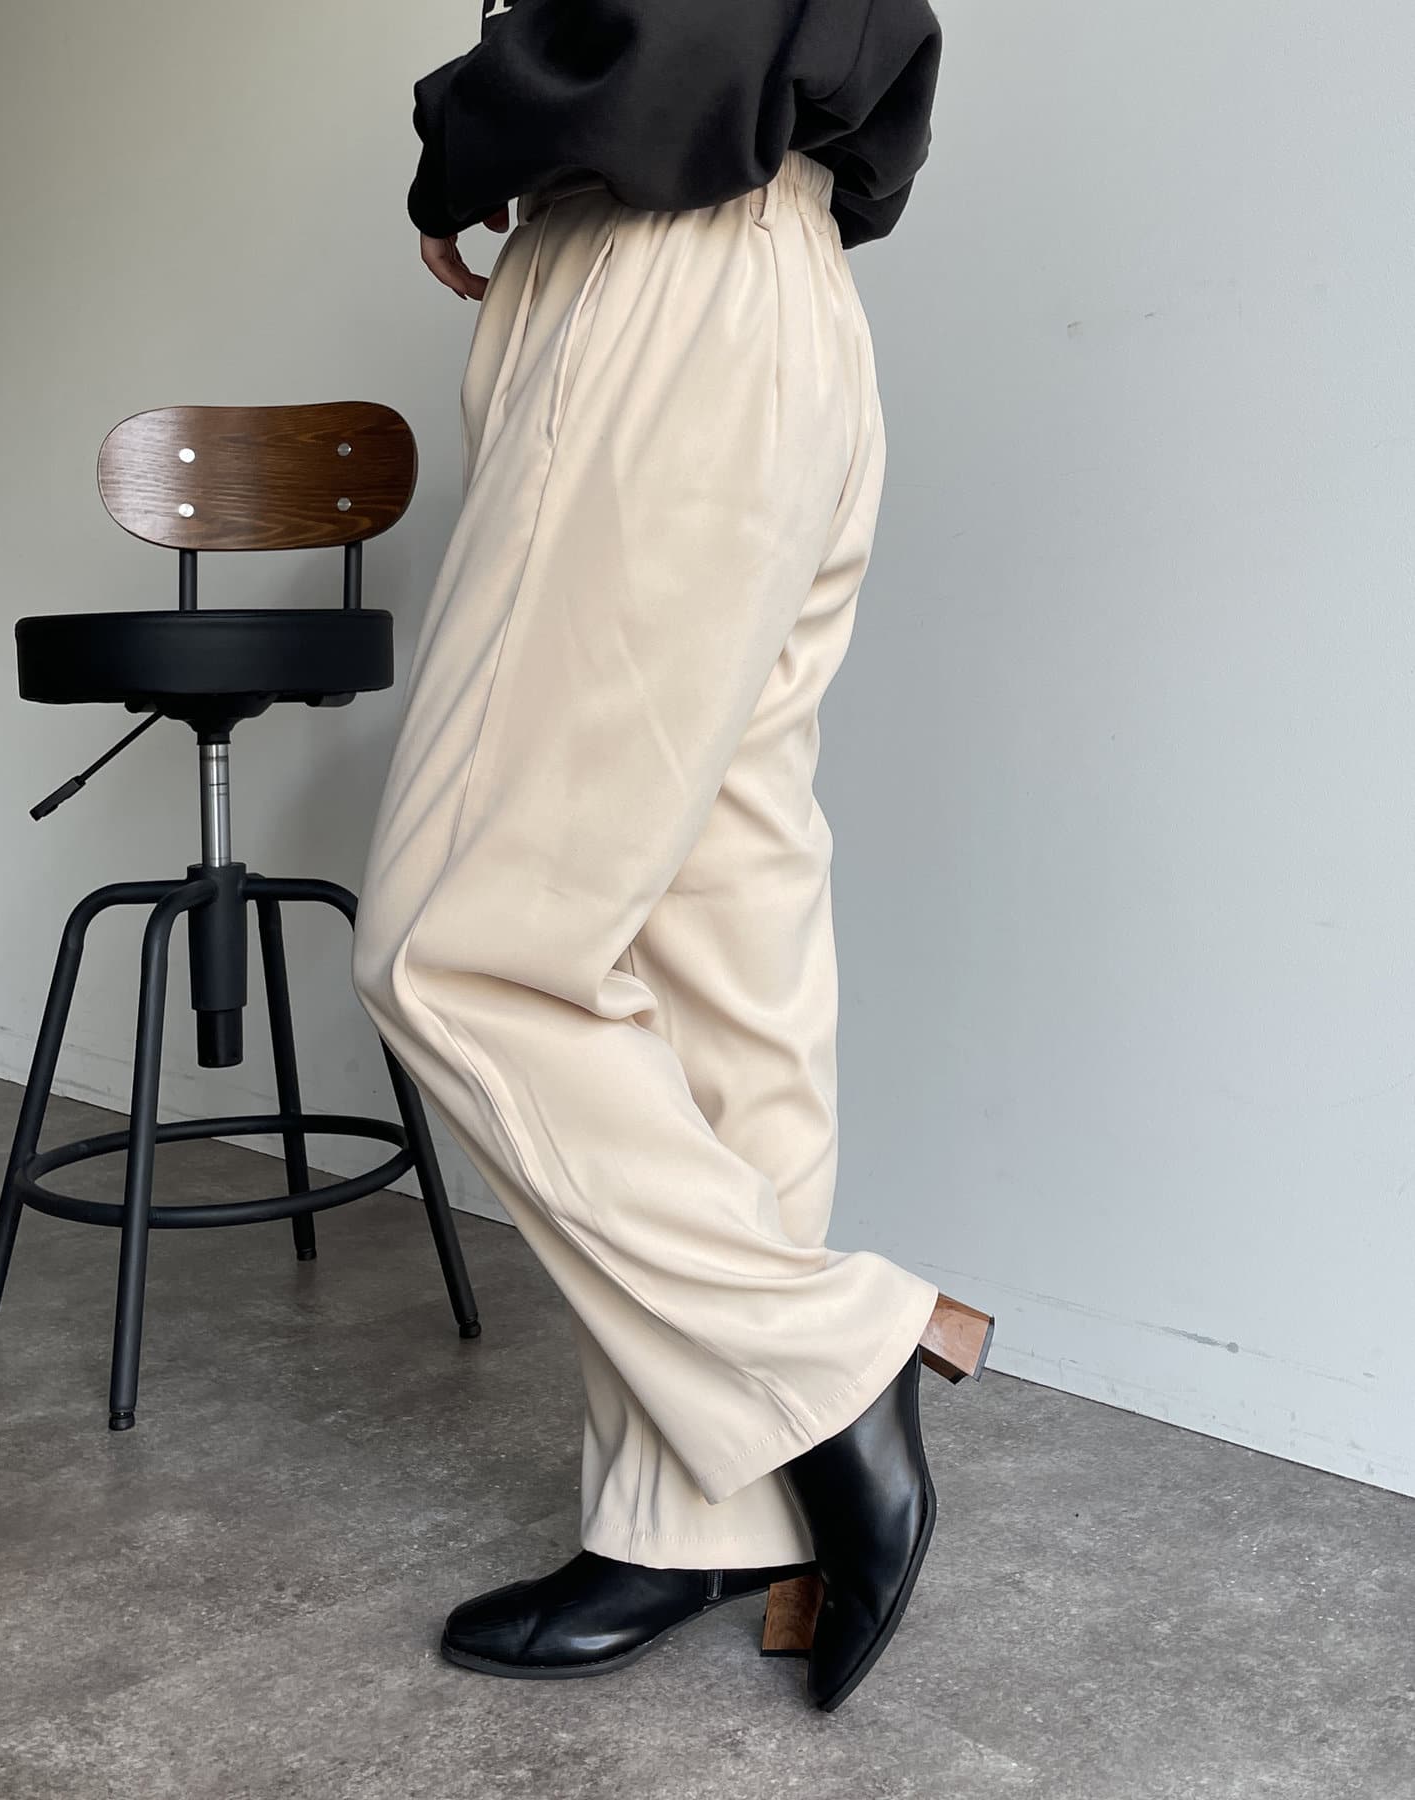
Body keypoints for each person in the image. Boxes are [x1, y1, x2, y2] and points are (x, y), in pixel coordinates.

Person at [351, 0, 993, 1714]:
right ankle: (704, 1517)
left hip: (659, 259)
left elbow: (665, 26)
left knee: (457, 947)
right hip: (780, 277)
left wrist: (467, 128)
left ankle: (829, 1359)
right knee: (719, 934)